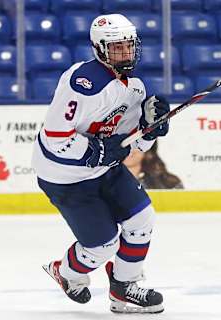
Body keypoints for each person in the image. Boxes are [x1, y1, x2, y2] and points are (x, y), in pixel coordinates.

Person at [31, 14, 169, 314]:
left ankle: (124, 290)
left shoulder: (135, 89)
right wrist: (95, 150)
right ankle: (66, 272)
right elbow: (55, 138)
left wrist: (151, 127)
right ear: (100, 48)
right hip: (65, 177)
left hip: (103, 169)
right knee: (102, 247)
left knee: (142, 219)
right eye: (117, 47)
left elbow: (129, 143)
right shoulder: (81, 82)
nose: (126, 53)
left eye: (129, 46)